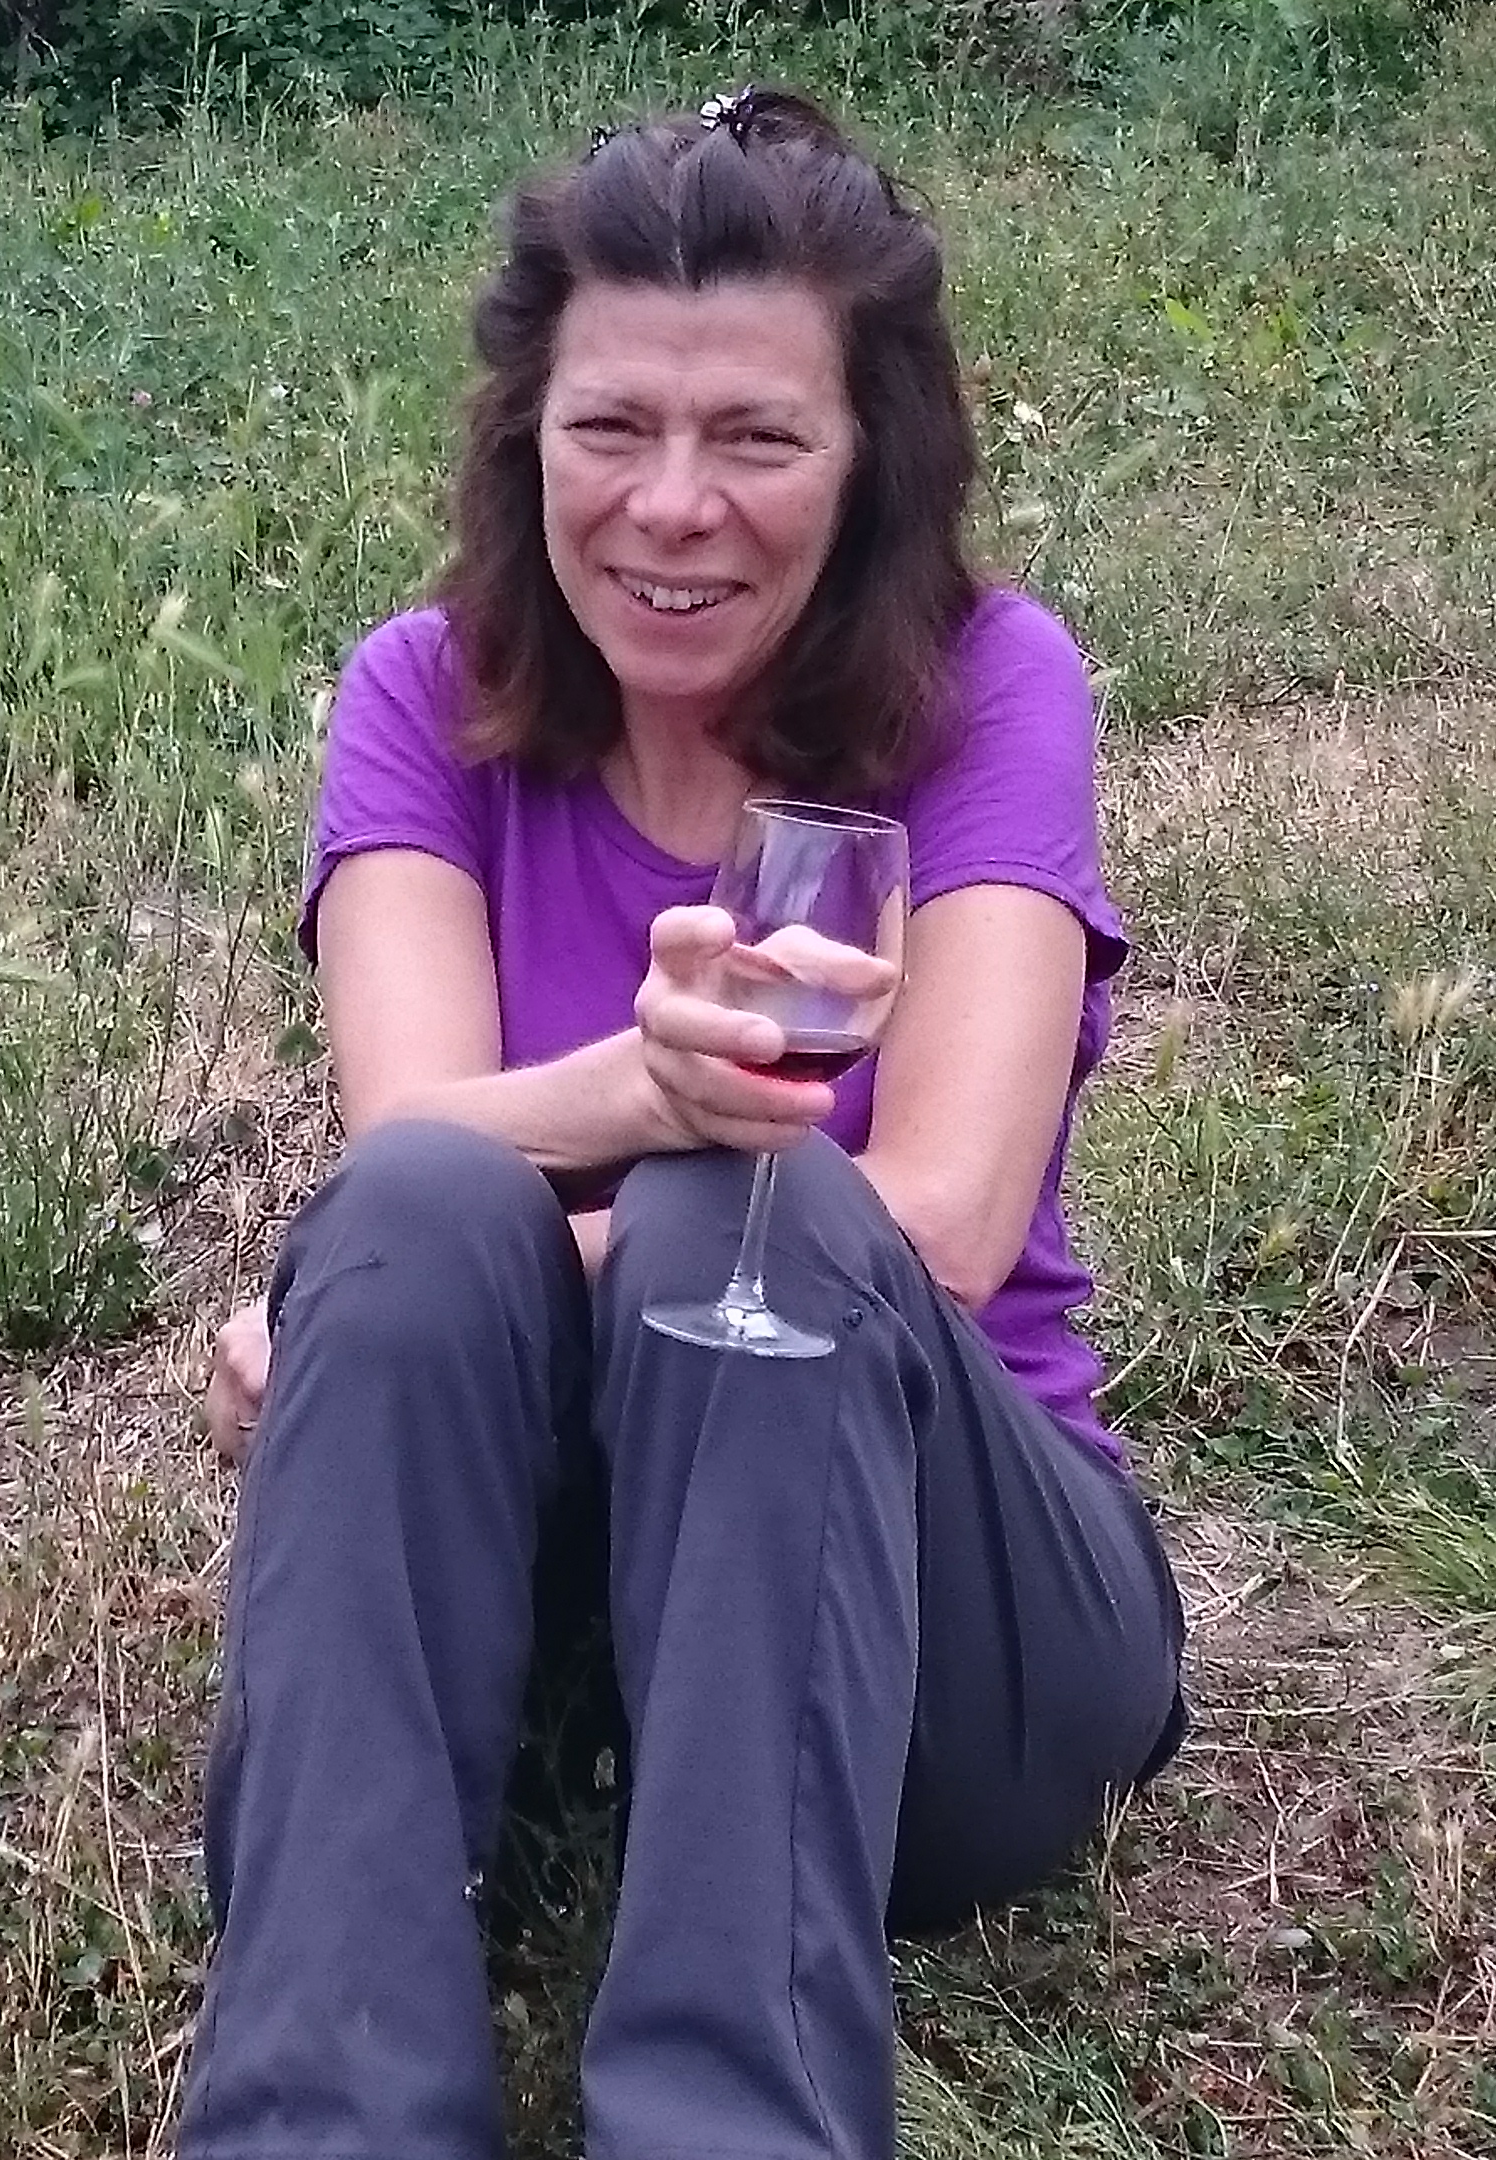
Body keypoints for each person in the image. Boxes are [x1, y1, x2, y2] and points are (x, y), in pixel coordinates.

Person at [178, 88, 1190, 2160]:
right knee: (425, 1205)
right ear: (527, 442)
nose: (672, 506)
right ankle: (319, 2118)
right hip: (580, 1613)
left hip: (961, 1640)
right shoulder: (421, 693)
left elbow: (944, 1220)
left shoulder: (992, 687)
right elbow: (416, 1162)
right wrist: (624, 1110)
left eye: (757, 439)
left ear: (871, 458)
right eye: (612, 428)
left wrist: (468, 1271)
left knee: (763, 1218)